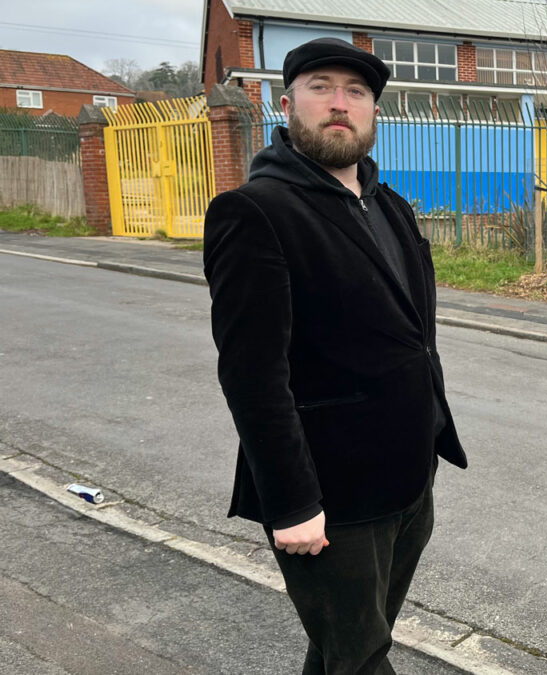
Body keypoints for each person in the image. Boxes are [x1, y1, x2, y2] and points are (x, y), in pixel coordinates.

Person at [203, 37, 467, 674]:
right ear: (289, 104)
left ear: (374, 112)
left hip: (407, 481)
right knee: (363, 658)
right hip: (330, 497)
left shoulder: (391, 206)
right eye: (322, 87)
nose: (340, 103)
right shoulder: (255, 212)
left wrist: (429, 439)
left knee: (340, 653)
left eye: (356, 92)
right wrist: (293, 503)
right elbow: (253, 376)